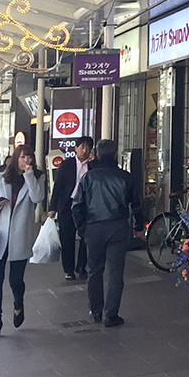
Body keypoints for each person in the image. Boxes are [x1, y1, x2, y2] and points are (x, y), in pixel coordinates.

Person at [72, 138, 141, 328]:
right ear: (116, 155)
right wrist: (138, 227)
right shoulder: (125, 177)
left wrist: (82, 228)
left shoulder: (88, 177)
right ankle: (111, 314)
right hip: (118, 227)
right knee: (115, 273)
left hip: (93, 227)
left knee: (94, 270)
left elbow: (77, 205)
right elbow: (136, 204)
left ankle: (95, 311)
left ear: (97, 155)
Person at [0, 145, 46, 339]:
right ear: (14, 159)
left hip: (20, 236)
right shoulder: (1, 178)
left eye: (29, 157)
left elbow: (38, 198)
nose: (25, 161)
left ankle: (18, 305)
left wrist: (29, 176)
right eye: (22, 157)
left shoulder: (37, 177)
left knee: (16, 279)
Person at [50, 137, 95, 281]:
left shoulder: (94, 166)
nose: (84, 150)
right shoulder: (66, 165)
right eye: (82, 147)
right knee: (67, 238)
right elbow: (58, 186)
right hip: (67, 205)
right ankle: (68, 269)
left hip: (86, 206)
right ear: (75, 148)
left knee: (86, 238)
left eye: (88, 148)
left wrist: (95, 161)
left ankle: (82, 267)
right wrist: (53, 206)